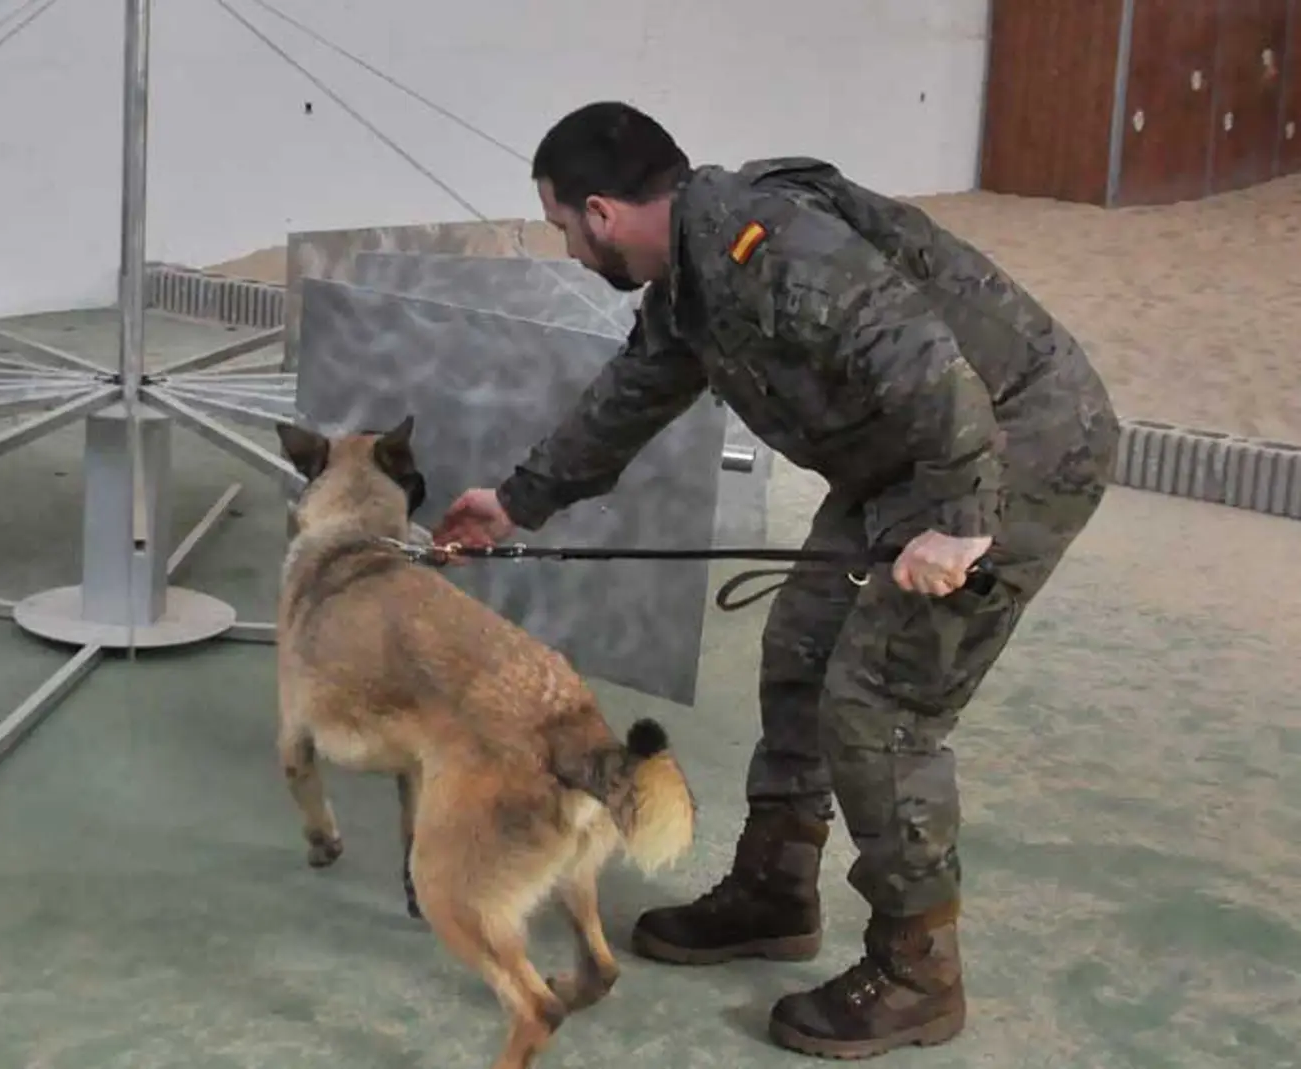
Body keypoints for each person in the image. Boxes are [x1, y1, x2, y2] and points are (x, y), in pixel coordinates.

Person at [432, 101, 1119, 1059]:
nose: (570, 250)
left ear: (599, 212)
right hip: (904, 457)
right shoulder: (689, 285)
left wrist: (963, 523)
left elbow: (931, 371)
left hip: (1016, 446)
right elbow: (628, 401)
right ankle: (776, 887)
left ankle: (919, 969)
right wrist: (514, 503)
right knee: (799, 648)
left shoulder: (776, 249)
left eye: (560, 228)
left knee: (880, 703)